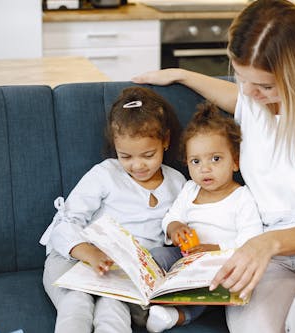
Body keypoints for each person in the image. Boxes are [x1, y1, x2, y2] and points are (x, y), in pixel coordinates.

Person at [132, 0, 295, 332]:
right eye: (242, 77)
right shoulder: (256, 101)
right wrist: (183, 75)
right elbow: (237, 97)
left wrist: (264, 244)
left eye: (265, 86)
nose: (249, 92)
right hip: (273, 254)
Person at [39, 86, 186, 333]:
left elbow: (177, 227)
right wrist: (87, 252)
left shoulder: (178, 183)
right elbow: (65, 220)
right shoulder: (106, 173)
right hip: (72, 256)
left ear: (166, 141)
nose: (138, 165)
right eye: (126, 156)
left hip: (120, 271)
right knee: (76, 303)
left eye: (148, 155)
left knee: (114, 310)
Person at [144, 102, 263, 332]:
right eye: (196, 161)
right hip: (183, 255)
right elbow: (170, 217)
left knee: (212, 286)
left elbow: (251, 240)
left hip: (220, 263)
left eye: (215, 159)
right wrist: (175, 227)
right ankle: (143, 295)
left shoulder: (242, 197)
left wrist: (214, 248)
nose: (205, 169)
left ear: (235, 161)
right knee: (156, 256)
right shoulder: (189, 189)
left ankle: (177, 315)